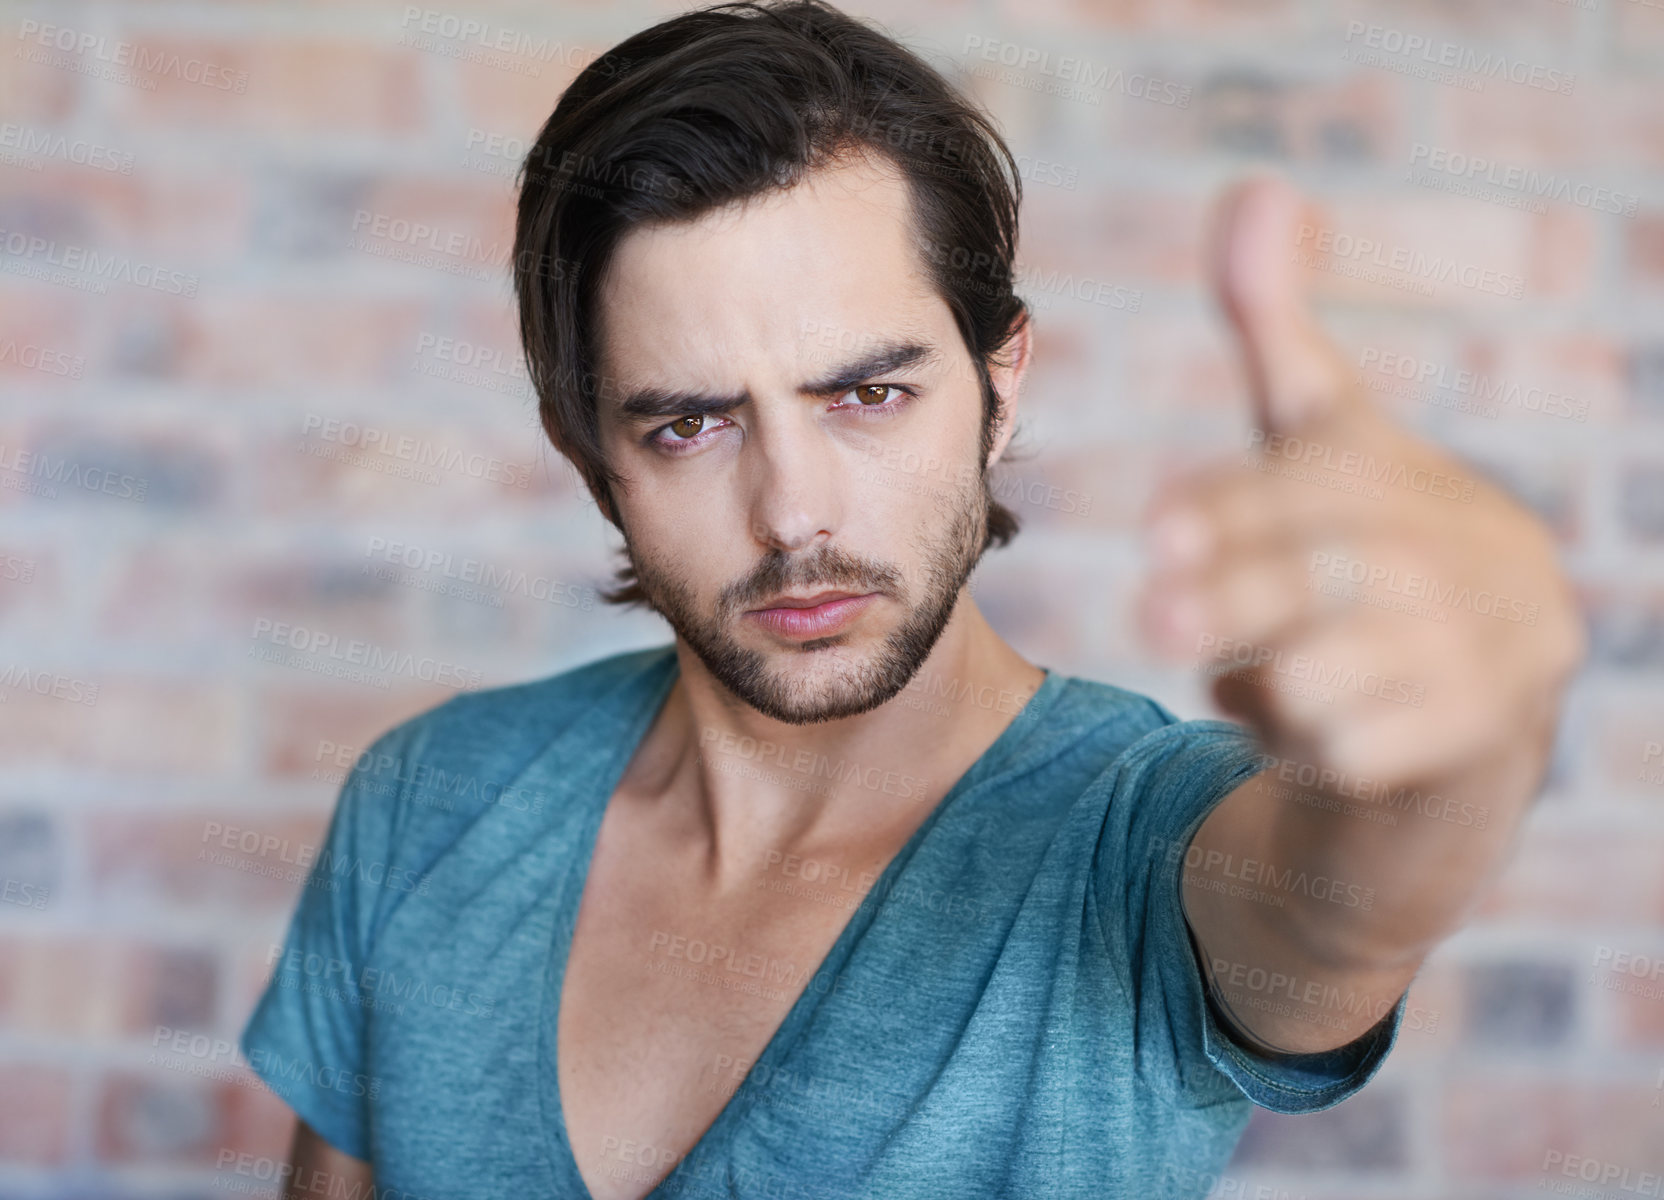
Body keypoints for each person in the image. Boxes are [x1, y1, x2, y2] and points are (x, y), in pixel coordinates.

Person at [239, 2, 1587, 1197]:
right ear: (590, 459)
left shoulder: (1134, 847)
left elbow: (1341, 901)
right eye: (691, 426)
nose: (793, 513)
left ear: (999, 392)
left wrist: (1476, 734)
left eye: (868, 395)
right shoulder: (427, 801)